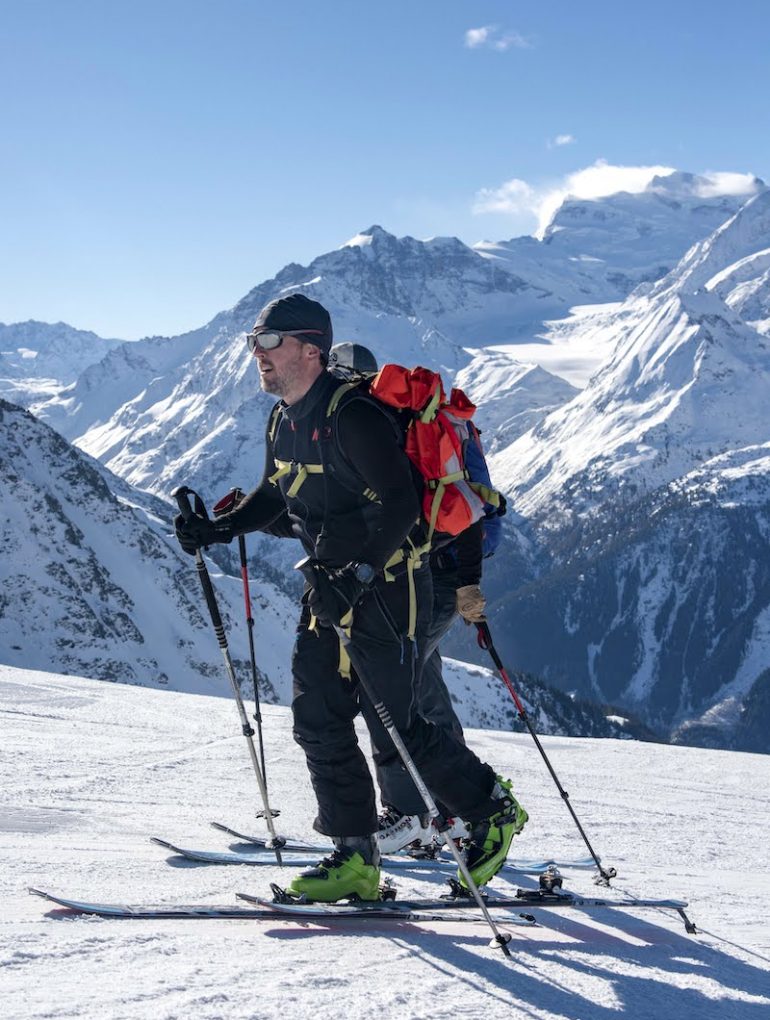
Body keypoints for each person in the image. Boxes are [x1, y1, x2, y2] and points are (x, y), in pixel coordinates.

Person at [175, 293, 527, 902]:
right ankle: (355, 859)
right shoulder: (283, 418)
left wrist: (360, 575)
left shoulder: (353, 413)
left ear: (310, 349)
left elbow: (401, 505)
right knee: (317, 718)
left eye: (268, 341)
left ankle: (493, 810)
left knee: (397, 724)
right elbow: (276, 493)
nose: (256, 353)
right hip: (330, 586)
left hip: (388, 588)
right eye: (254, 341)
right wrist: (218, 527)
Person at [327, 342, 490, 855]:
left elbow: (455, 511)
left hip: (429, 579)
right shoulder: (392, 424)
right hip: (425, 580)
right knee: (422, 688)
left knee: (395, 695)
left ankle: (414, 815)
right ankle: (458, 812)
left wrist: (467, 586)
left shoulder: (386, 429)